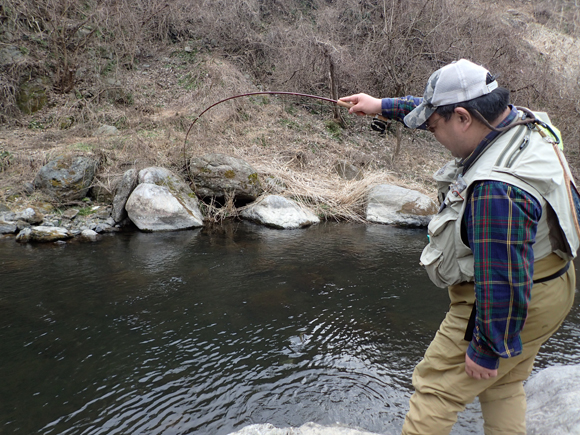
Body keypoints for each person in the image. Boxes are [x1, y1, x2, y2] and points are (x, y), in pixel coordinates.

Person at [340, 59, 579, 435]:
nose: (434, 133)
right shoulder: (524, 121)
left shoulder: (496, 189)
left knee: (434, 391)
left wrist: (487, 346)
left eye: (435, 127)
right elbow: (439, 108)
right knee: (503, 384)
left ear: (464, 118)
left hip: (513, 298)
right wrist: (382, 106)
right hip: (555, 283)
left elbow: (503, 278)